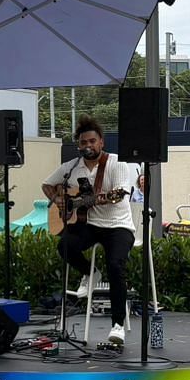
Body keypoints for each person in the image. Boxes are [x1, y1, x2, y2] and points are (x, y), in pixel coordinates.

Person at [43, 117, 142, 350]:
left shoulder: (116, 163)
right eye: (83, 142)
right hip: (91, 224)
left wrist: (97, 198)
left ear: (101, 142)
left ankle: (117, 325)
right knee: (64, 245)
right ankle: (90, 272)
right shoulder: (71, 167)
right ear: (78, 145)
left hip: (118, 225)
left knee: (116, 265)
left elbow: (119, 193)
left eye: (92, 141)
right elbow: (47, 184)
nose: (88, 145)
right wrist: (59, 200)